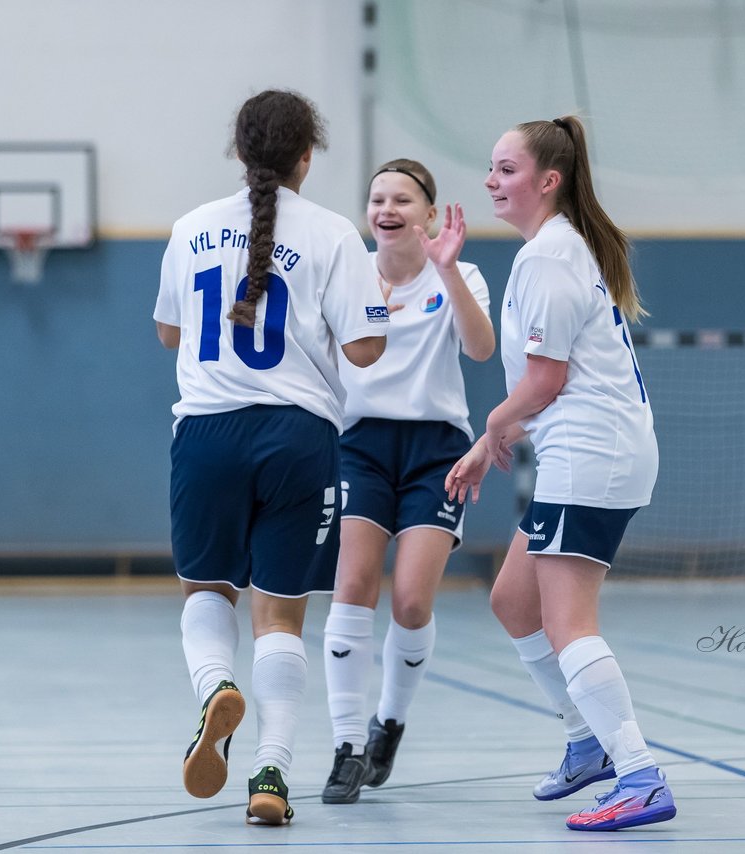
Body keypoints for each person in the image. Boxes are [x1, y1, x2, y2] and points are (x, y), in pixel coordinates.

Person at [153, 89, 387, 827]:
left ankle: (215, 687)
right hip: (297, 438)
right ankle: (271, 776)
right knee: (282, 618)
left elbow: (168, 333)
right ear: (306, 159)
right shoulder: (333, 234)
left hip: (207, 435)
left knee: (204, 591)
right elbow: (365, 348)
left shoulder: (190, 229)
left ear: (239, 153)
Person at [446, 116, 676, 832]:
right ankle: (588, 740)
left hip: (593, 453)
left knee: (567, 620)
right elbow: (540, 386)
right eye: (490, 167)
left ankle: (638, 772)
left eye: (506, 169)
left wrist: (491, 427)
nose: (491, 180)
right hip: (587, 450)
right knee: (514, 600)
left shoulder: (549, 256)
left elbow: (547, 379)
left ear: (549, 180)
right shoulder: (553, 251)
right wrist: (497, 436)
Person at [321, 160, 495, 803]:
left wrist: (448, 270)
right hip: (360, 445)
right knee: (354, 584)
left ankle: (388, 720)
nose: (387, 208)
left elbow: (481, 350)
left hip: (435, 451)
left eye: (402, 199)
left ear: (428, 213)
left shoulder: (459, 273)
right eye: (377, 199)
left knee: (412, 603)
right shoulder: (348, 275)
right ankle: (346, 748)